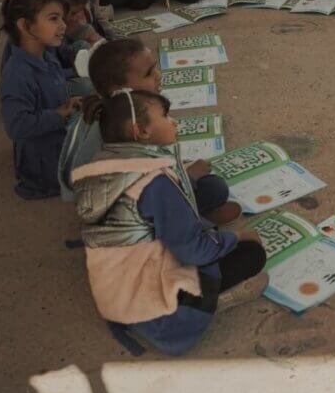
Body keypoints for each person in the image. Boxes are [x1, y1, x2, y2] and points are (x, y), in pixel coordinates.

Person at [71, 89, 268, 356]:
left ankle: (202, 223)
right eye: (165, 115)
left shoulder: (101, 164)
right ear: (141, 131)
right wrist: (238, 237)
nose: (173, 121)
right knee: (252, 254)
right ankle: (215, 302)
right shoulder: (154, 180)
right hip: (159, 317)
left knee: (186, 214)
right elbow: (194, 251)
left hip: (113, 295)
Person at [58, 39, 241, 227]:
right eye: (148, 73)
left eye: (155, 68)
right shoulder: (124, 128)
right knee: (214, 188)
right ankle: (186, 227)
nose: (158, 75)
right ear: (120, 89)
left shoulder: (109, 108)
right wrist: (188, 175)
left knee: (205, 182)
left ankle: (192, 219)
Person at [0, 0, 81, 200]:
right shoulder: (17, 73)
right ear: (26, 26)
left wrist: (79, 74)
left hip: (58, 140)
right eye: (54, 19)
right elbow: (16, 125)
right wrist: (59, 114)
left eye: (61, 18)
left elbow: (53, 78)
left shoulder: (45, 54)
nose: (63, 26)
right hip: (43, 164)